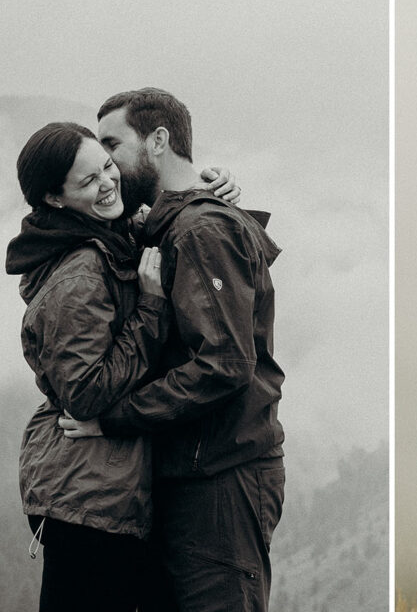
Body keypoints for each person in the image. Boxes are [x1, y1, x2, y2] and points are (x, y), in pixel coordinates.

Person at [60, 88, 285, 612]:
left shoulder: (201, 228)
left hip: (222, 476)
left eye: (113, 144)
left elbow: (223, 364)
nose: (106, 162)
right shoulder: (171, 224)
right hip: (195, 469)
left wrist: (114, 418)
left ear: (158, 140)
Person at [7, 122, 241, 612]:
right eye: (88, 181)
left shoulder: (101, 236)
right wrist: (151, 309)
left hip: (102, 492)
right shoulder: (80, 274)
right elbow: (86, 394)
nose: (109, 182)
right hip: (87, 500)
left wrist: (212, 189)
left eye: (108, 166)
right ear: (53, 198)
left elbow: (157, 210)